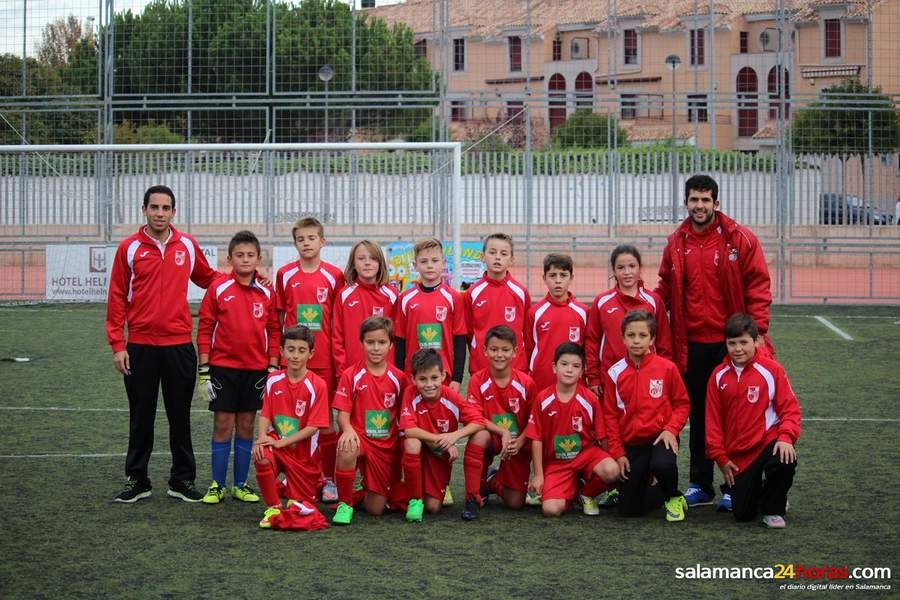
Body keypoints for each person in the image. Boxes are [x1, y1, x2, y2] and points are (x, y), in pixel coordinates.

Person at [656, 174, 773, 510]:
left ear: (716, 204)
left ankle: (735, 486)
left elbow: (758, 285)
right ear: (686, 203)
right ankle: (700, 484)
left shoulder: (739, 239)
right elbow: (664, 287)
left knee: (735, 415)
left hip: (731, 344)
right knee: (696, 412)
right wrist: (644, 308)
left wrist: (758, 331)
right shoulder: (676, 242)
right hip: (690, 344)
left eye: (706, 200)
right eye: (694, 200)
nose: (700, 206)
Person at [107, 185, 219, 503]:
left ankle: (181, 480)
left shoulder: (186, 244)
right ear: (144, 209)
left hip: (179, 345)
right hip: (140, 346)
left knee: (179, 415)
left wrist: (246, 277)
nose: (160, 213)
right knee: (141, 414)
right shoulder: (129, 248)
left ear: (174, 211)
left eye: (165, 208)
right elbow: (116, 297)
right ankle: (137, 479)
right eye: (154, 207)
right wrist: (118, 344)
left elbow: (208, 278)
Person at [196, 230, 280, 504]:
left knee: (246, 425)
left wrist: (272, 366)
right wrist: (204, 369)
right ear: (229, 258)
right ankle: (217, 485)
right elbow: (205, 328)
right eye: (239, 255)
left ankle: (240, 485)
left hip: (256, 371)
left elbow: (274, 330)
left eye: (250, 255)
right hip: (223, 369)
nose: (245, 260)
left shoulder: (267, 292)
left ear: (259, 258)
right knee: (222, 424)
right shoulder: (218, 288)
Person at [705, 313, 801, 528]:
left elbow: (790, 409)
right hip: (739, 453)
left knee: (784, 460)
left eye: (743, 342)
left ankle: (773, 509)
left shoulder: (772, 370)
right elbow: (712, 421)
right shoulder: (718, 376)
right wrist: (720, 457)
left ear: (756, 341)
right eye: (732, 343)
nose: (738, 349)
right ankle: (764, 491)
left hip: (768, 440)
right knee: (743, 514)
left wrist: (786, 437)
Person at [275, 216, 345, 502]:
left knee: (326, 424)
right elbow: (280, 316)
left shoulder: (333, 275)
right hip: (292, 363)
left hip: (323, 360)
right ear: (295, 243)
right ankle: (297, 475)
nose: (306, 243)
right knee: (292, 422)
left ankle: (328, 479)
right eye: (301, 239)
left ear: (322, 241)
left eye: (311, 238)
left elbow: (337, 318)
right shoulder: (284, 274)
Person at [603, 310, 690, 522]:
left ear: (651, 338)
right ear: (623, 338)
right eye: (631, 335)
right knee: (628, 510)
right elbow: (611, 416)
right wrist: (618, 453)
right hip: (633, 443)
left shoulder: (667, 368)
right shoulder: (615, 373)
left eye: (642, 336)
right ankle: (658, 491)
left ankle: (673, 497)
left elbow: (682, 404)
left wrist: (671, 429)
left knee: (663, 464)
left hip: (660, 437)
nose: (636, 341)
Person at [525, 342, 619, 517]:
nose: (569, 370)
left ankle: (587, 493)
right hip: (556, 463)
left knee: (612, 470)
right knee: (550, 510)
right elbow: (536, 438)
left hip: (586, 455)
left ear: (582, 371)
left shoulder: (590, 399)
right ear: (554, 367)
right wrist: (538, 475)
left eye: (575, 366)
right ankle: (573, 490)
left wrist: (607, 462)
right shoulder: (542, 399)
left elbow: (602, 436)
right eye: (564, 364)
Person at [331, 316, 408, 525]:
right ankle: (344, 504)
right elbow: (343, 414)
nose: (376, 348)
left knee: (376, 509)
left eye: (382, 343)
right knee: (346, 447)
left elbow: (405, 415)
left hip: (385, 445)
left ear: (391, 345)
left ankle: (364, 489)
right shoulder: (351, 374)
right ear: (361, 343)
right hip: (360, 438)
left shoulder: (399, 378)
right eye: (370, 342)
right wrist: (347, 430)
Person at [253, 325, 331, 529]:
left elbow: (313, 428)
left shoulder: (318, 385)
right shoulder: (273, 379)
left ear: (311, 353)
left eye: (301, 350)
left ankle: (293, 486)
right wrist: (262, 437)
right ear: (281, 352)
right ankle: (273, 507)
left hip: (305, 457)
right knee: (261, 454)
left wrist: (279, 443)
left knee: (303, 508)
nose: (295, 356)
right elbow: (266, 414)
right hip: (279, 447)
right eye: (291, 349)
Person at [397, 349, 486, 522]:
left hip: (438, 456)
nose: (429, 384)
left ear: (443, 376)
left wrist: (453, 436)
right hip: (418, 451)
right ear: (413, 379)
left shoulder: (450, 396)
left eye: (434, 378)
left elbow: (479, 422)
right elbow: (409, 430)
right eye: (422, 379)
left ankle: (422, 491)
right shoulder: (410, 393)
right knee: (412, 443)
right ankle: (415, 500)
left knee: (433, 507)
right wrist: (440, 439)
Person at [465, 325, 536, 517]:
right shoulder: (477, 380)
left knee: (515, 503)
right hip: (492, 437)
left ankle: (493, 481)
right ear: (485, 350)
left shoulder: (526, 383)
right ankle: (471, 497)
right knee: (478, 435)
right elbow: (474, 417)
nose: (499, 355)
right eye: (494, 349)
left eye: (505, 350)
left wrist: (520, 441)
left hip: (517, 443)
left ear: (515, 352)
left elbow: (534, 421)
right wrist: (503, 432)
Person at [585, 244, 672, 397]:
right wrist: (593, 378)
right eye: (621, 267)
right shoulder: (602, 302)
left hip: (648, 378)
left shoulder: (653, 301)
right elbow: (592, 341)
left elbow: (664, 343)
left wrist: (665, 374)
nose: (627, 272)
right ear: (614, 271)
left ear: (640, 268)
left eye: (632, 266)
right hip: (611, 379)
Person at [394, 237, 467, 391]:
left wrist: (457, 378)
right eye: (424, 261)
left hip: (443, 375)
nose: (429, 266)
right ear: (415, 265)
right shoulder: (405, 298)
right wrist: (399, 376)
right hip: (413, 376)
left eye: (434, 261)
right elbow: (400, 340)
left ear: (443, 263)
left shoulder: (454, 298)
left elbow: (459, 339)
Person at [465, 233, 531, 375]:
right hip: (481, 367)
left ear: (511, 260)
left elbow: (526, 332)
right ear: (482, 256)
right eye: (492, 252)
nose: (497, 257)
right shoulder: (473, 293)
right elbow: (470, 332)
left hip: (516, 368)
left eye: (504, 253)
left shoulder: (520, 292)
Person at [333, 240, 398, 376]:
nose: (367, 263)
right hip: (352, 372)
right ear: (353, 263)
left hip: (385, 373)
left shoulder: (391, 295)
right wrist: (342, 372)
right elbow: (337, 337)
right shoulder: (344, 295)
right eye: (361, 258)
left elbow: (397, 336)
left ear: (380, 263)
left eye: (373, 258)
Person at [525, 253, 588, 391]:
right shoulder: (534, 312)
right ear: (544, 278)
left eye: (563, 275)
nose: (558, 280)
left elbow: (588, 349)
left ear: (571, 278)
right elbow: (529, 349)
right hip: (541, 381)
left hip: (574, 383)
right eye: (552, 275)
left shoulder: (583, 312)